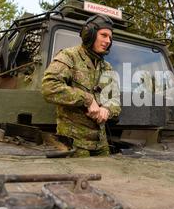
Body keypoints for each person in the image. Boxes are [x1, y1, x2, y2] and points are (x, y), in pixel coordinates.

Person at [41, 14, 121, 157]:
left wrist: (107, 110)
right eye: (104, 35)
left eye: (110, 37)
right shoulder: (69, 56)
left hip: (101, 144)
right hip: (74, 144)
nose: (108, 41)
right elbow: (49, 87)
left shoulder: (107, 67)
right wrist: (87, 99)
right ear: (89, 34)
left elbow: (115, 100)